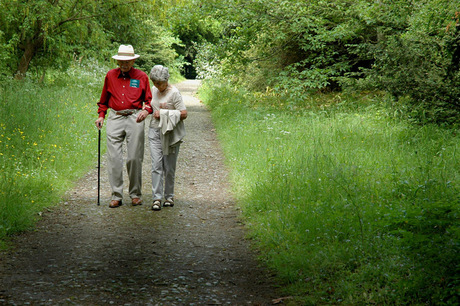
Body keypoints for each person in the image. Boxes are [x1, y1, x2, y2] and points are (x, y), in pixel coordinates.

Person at [95, 44, 153, 208]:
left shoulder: (141, 77)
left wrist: (146, 111)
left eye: (127, 61)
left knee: (134, 157)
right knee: (114, 158)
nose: (124, 64)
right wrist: (101, 116)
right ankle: (116, 195)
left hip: (135, 117)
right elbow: (103, 101)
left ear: (133, 61)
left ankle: (135, 194)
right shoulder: (110, 76)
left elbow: (149, 102)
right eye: (121, 61)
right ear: (117, 61)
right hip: (115, 117)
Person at [148, 65, 187, 211]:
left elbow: (183, 113)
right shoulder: (153, 90)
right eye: (155, 82)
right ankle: (156, 198)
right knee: (156, 165)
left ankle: (169, 196)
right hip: (154, 131)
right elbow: (149, 105)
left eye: (159, 83)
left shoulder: (174, 93)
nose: (157, 86)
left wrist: (164, 113)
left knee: (169, 167)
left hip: (170, 134)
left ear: (167, 80)